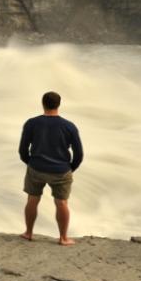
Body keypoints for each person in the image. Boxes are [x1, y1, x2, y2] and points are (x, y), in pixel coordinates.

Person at [18, 91, 83, 245]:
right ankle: (63, 238)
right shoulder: (69, 126)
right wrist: (69, 168)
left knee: (32, 200)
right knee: (61, 203)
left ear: (43, 103)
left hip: (36, 168)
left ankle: (28, 233)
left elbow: (22, 150)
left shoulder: (31, 123)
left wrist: (31, 163)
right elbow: (79, 154)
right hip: (61, 171)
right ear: (59, 104)